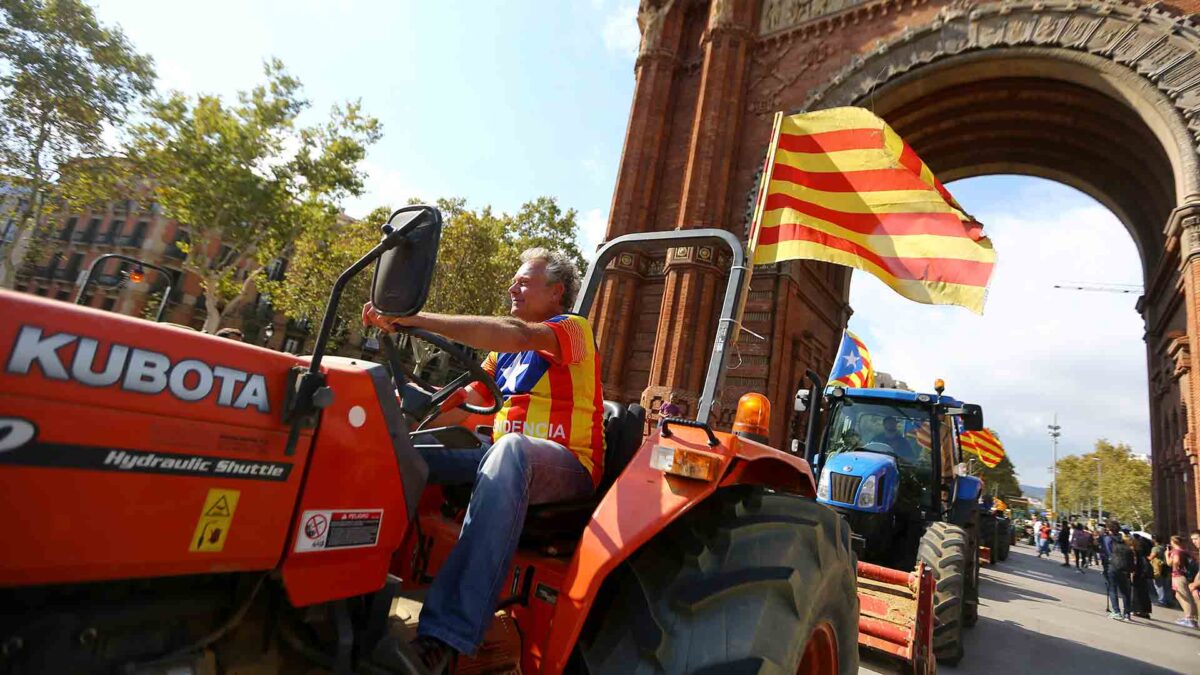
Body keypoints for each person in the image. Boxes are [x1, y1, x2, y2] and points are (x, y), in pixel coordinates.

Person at [363, 248, 604, 672]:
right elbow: (470, 401)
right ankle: (354, 581)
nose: (512, 287)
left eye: (524, 282)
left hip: (566, 467)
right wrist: (399, 420)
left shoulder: (572, 330)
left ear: (556, 291)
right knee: (401, 450)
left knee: (510, 451)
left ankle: (446, 636)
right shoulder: (504, 356)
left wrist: (414, 319)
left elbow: (517, 333)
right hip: (499, 457)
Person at [1102, 520, 1134, 620]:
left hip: (1113, 566)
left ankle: (1116, 611)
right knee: (1125, 591)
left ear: (1109, 529)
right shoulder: (1124, 539)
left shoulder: (1108, 539)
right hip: (1125, 567)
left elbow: (1107, 553)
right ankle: (1127, 613)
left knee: (1112, 588)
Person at [1168, 534, 1199, 628]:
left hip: (1178, 575)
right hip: (1185, 575)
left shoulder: (1176, 551)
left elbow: (1174, 562)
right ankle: (1190, 617)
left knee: (1184, 597)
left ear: (1173, 542)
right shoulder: (1185, 551)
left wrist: (1168, 557)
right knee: (1179, 595)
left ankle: (1190, 618)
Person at [1129, 532, 1153, 618]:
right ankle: (1145, 611)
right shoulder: (1144, 551)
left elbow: (1134, 563)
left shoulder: (1135, 552)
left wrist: (1131, 572)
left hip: (1138, 572)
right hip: (1144, 572)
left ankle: (1136, 609)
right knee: (1144, 592)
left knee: (1136, 591)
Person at [1149, 534, 1174, 608]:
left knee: (1159, 585)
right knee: (1167, 585)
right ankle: (1169, 601)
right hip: (1166, 567)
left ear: (1154, 540)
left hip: (1158, 568)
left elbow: (1151, 557)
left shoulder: (1155, 548)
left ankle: (1162, 600)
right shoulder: (1165, 547)